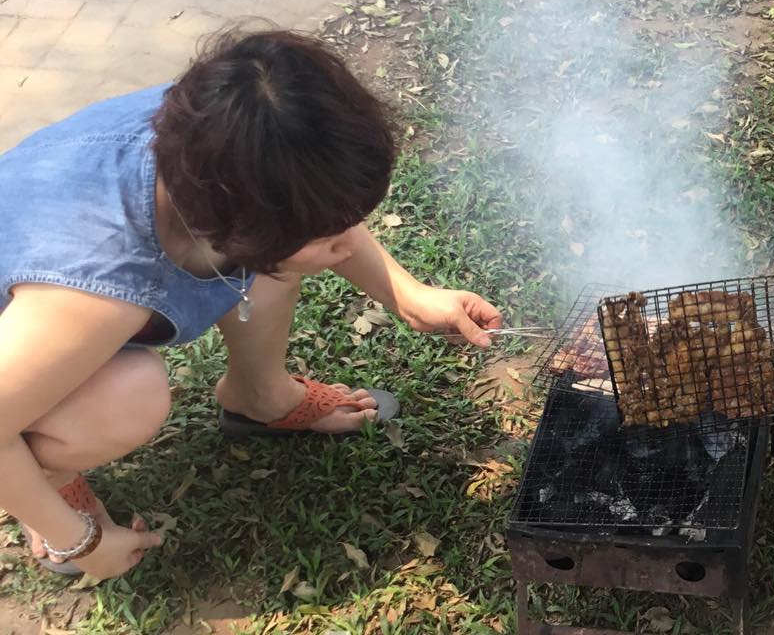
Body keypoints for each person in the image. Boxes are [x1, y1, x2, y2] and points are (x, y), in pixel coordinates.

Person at [0, 28, 503, 583]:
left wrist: (409, 295)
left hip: (141, 270)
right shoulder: (93, 288)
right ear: (229, 223)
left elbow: (305, 205)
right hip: (22, 338)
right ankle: (50, 478)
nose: (348, 241)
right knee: (126, 400)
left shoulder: (229, 128)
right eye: (329, 232)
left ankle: (258, 397)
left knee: (280, 258)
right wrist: (81, 542)